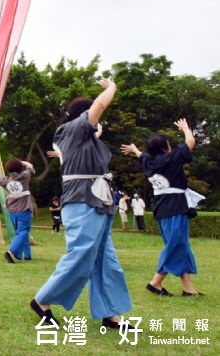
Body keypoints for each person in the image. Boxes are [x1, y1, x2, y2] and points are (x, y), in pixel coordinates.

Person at [30, 79, 130, 331]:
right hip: (81, 201)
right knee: (82, 253)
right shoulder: (69, 131)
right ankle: (41, 301)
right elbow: (98, 107)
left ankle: (111, 313)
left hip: (100, 201)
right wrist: (111, 88)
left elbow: (96, 130)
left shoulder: (86, 139)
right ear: (82, 116)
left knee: (106, 259)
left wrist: (97, 130)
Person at [121, 118, 202, 297]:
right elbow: (190, 142)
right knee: (175, 246)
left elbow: (141, 156)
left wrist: (135, 149)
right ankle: (155, 282)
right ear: (166, 147)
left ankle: (188, 288)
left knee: (180, 246)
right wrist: (186, 128)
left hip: (162, 210)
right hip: (175, 209)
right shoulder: (172, 158)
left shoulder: (149, 162)